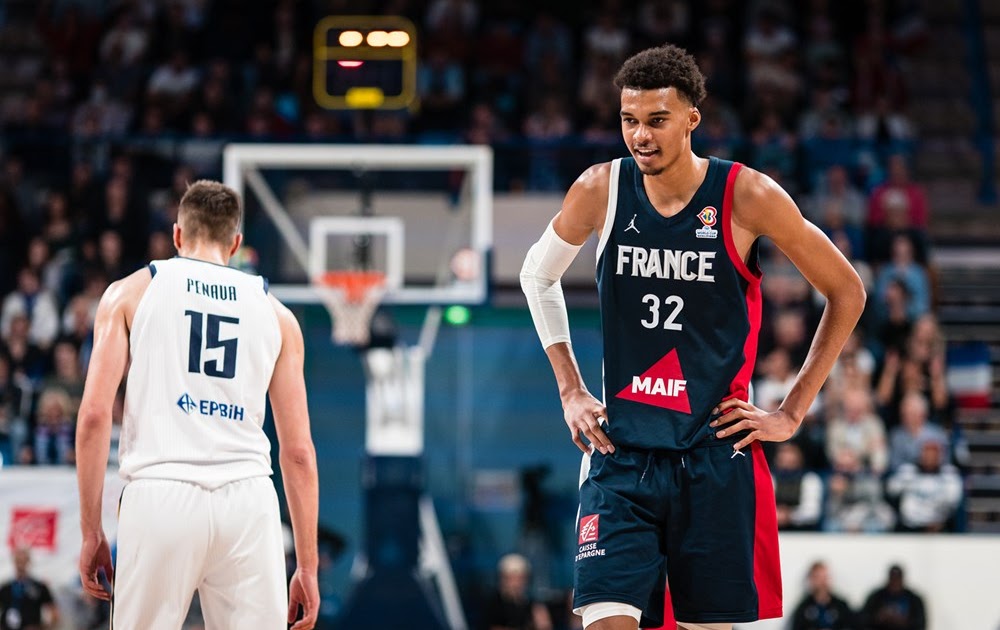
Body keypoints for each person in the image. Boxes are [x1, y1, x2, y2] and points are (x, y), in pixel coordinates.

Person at [519, 44, 866, 630]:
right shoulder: (601, 189)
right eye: (630, 120)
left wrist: (793, 411)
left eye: (657, 120)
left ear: (691, 119)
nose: (641, 136)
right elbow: (536, 274)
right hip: (621, 454)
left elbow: (847, 291)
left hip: (713, 455)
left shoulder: (747, 195)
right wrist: (570, 389)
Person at [74, 180, 319, 629]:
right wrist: (307, 566)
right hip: (248, 501)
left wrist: (91, 531)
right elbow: (299, 453)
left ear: (177, 236)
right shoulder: (279, 317)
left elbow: (92, 418)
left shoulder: (129, 293)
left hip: (161, 491)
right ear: (237, 244)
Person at [482, 553, 553, 630]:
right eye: (511, 578)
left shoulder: (531, 605)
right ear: (502, 579)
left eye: (520, 578)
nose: (516, 583)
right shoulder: (493, 603)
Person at [0, 547, 59, 630]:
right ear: (14, 562)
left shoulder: (39, 586)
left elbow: (54, 612)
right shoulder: (5, 587)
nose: (20, 564)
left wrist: (43, 627)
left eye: (23, 560)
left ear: (29, 561)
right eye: (18, 560)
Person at [789, 561, 856, 630]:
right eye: (818, 577)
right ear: (811, 580)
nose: (823, 582)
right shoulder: (803, 608)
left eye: (825, 577)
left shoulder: (841, 606)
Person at [859, 565, 926, 630]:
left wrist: (905, 621)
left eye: (897, 578)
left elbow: (920, 623)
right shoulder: (876, 597)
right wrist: (878, 618)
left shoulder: (914, 600)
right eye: (893, 578)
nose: (895, 582)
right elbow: (862, 620)